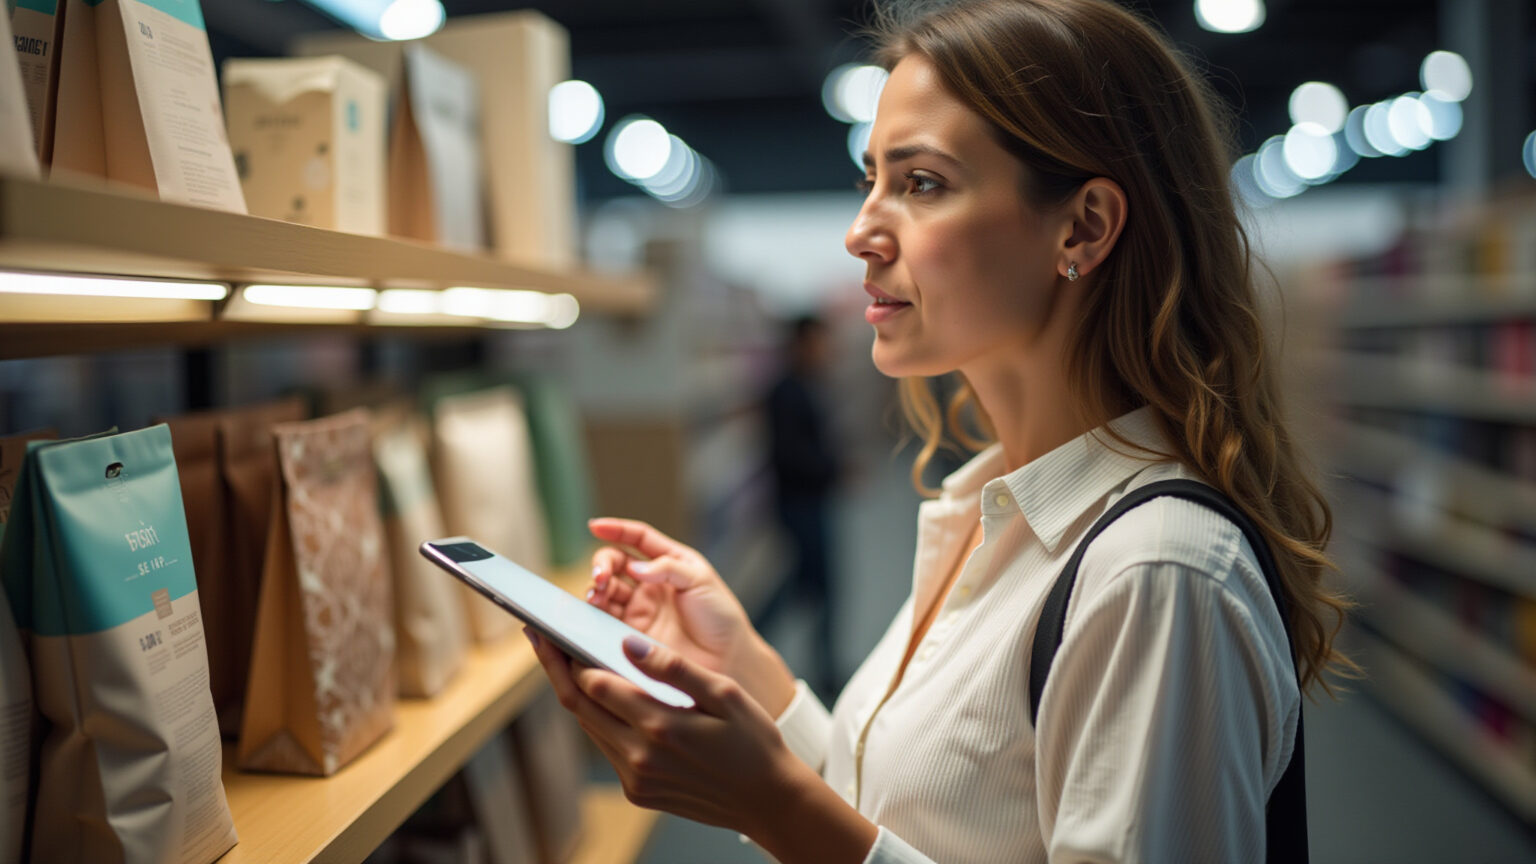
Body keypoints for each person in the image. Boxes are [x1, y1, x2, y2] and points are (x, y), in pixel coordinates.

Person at [526, 1, 1357, 860]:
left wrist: (776, 808)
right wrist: (750, 678)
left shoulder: (1155, 572)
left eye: (921, 184)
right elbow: (921, 814)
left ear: (1085, 226)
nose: (860, 234)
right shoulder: (991, 509)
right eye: (870, 182)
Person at [761, 314, 843, 700]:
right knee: (809, 586)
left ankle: (823, 667)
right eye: (818, 342)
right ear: (800, 344)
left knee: (811, 586)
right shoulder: (786, 392)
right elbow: (790, 455)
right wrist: (835, 469)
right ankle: (757, 641)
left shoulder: (807, 387)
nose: (824, 351)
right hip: (800, 504)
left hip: (810, 502)